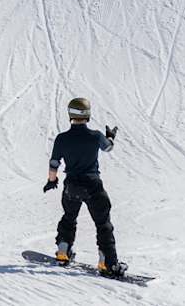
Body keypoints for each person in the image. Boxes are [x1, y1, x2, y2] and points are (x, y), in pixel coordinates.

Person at [43, 96, 124, 278]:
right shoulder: (95, 136)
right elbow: (108, 148)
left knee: (69, 217)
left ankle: (63, 251)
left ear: (70, 114)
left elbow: (54, 163)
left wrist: (51, 180)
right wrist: (110, 137)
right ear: (87, 114)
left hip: (71, 185)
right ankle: (107, 263)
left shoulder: (62, 138)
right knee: (103, 223)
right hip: (92, 184)